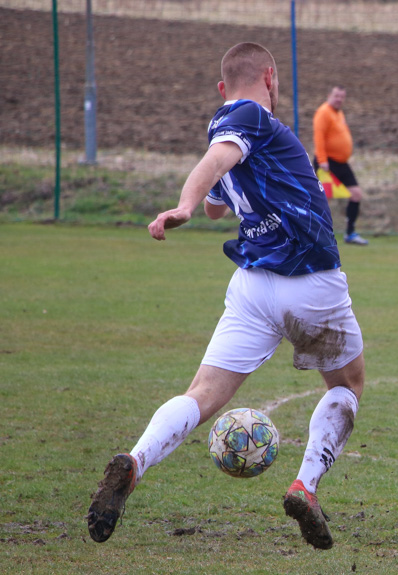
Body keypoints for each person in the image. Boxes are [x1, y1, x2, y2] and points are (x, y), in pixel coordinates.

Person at [86, 42, 365, 551]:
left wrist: (215, 194)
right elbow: (214, 164)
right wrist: (184, 205)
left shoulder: (239, 131)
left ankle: (136, 461)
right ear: (270, 77)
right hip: (312, 280)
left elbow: (222, 192)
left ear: (220, 86)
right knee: (348, 384)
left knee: (204, 393)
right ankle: (305, 485)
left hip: (254, 286)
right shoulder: (249, 115)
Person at [313, 85, 369, 246]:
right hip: (327, 163)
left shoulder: (338, 113)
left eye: (342, 97)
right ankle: (317, 235)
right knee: (324, 199)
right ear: (329, 95)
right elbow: (319, 137)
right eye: (336, 96)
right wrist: (322, 160)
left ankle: (350, 234)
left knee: (356, 194)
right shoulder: (323, 112)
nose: (339, 99)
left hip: (341, 163)